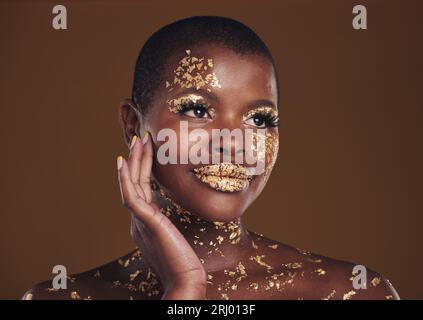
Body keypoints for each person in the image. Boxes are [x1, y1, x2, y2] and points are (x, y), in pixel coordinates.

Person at [23, 16, 399, 300]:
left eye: (260, 119)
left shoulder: (349, 291)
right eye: (198, 111)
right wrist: (185, 287)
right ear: (132, 123)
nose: (235, 143)